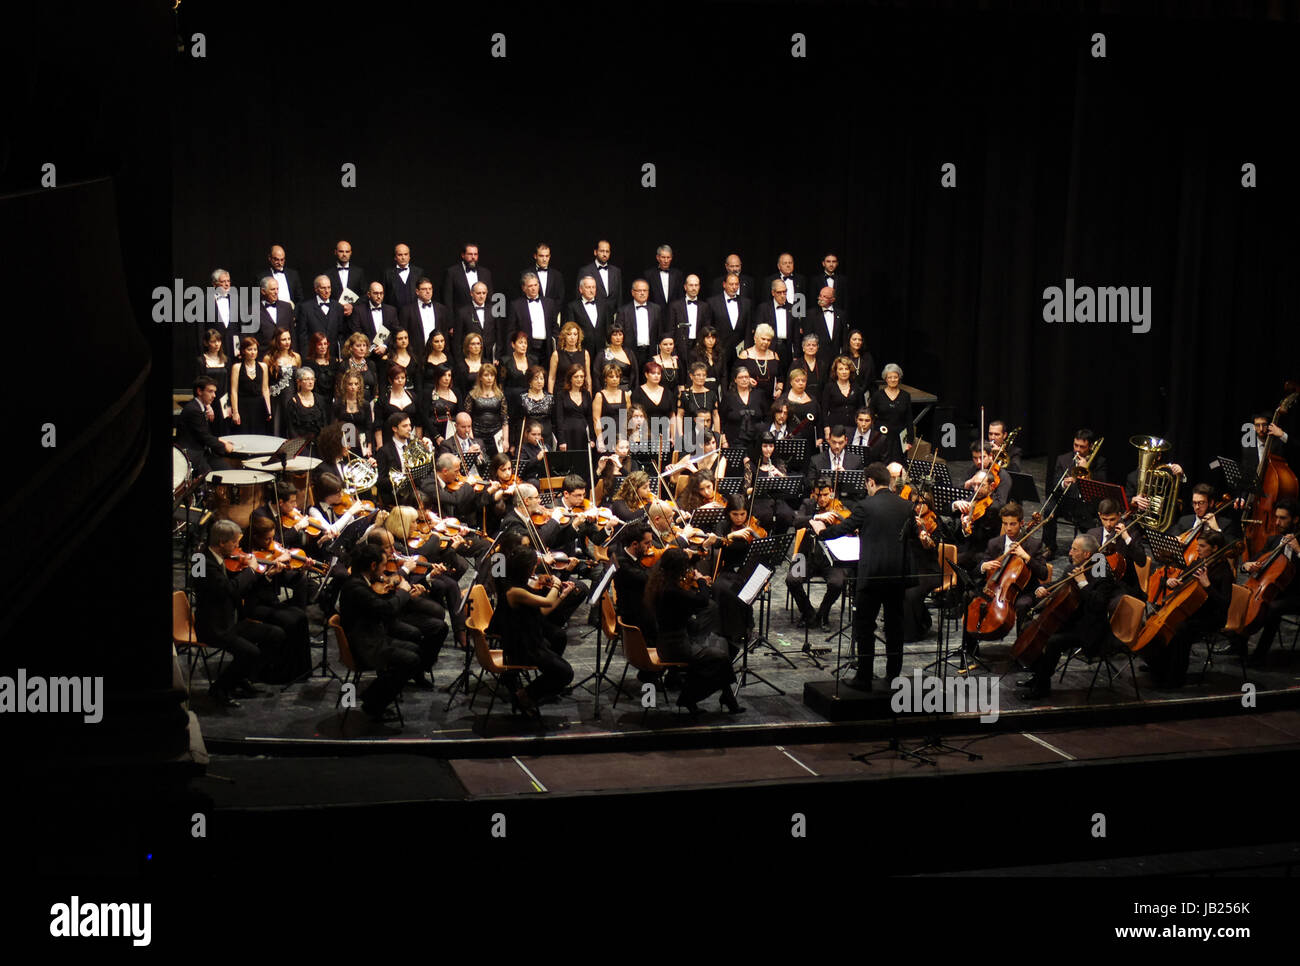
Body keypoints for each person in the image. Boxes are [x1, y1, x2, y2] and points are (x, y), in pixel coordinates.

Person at [811, 462, 917, 687]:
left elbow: (842, 529)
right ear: (889, 481)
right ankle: (893, 677)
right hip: (897, 576)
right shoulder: (906, 506)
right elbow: (914, 537)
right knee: (894, 627)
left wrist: (821, 532)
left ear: (870, 482)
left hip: (871, 576)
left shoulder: (865, 506)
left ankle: (864, 677)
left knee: (865, 626)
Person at [195, 519, 287, 706]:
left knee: (276, 634)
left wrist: (266, 575)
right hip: (214, 626)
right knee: (251, 652)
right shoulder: (202, 561)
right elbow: (228, 590)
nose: (238, 547)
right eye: (235, 543)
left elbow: (239, 587)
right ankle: (219, 689)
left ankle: (241, 677)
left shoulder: (223, 559)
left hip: (232, 620)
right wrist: (252, 571)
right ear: (222, 542)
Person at [643, 548, 744, 715]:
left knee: (724, 649)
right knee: (722, 657)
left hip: (668, 642)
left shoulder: (660, 584)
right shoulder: (672, 591)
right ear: (679, 569)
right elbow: (702, 601)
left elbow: (687, 604)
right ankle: (690, 697)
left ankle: (727, 698)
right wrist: (701, 581)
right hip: (677, 647)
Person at [1019, 534, 1120, 699]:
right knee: (1030, 627)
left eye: (1074, 549)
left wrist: (1082, 583)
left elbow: (1097, 604)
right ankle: (1038, 676)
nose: (1070, 552)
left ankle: (1042, 687)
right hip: (1071, 619)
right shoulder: (1074, 567)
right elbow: (1062, 583)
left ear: (1087, 554)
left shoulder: (1102, 572)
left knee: (1053, 641)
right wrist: (1045, 589)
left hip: (1089, 628)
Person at [337, 543, 423, 724]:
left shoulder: (360, 582)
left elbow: (378, 606)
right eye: (384, 565)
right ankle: (373, 703)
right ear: (373, 566)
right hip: (365, 647)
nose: (386, 570)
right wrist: (403, 592)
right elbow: (385, 609)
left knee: (415, 649)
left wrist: (402, 594)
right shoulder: (356, 588)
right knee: (411, 660)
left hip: (371, 637)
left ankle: (376, 694)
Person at [496, 547, 576, 717]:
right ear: (526, 568)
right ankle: (524, 696)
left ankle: (528, 694)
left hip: (532, 640)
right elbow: (547, 602)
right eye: (534, 566)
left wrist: (563, 595)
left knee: (563, 669)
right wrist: (556, 583)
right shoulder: (514, 591)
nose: (535, 570)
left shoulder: (522, 585)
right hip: (520, 646)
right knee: (565, 673)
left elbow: (541, 613)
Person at [363, 529, 448, 688]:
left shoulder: (392, 562)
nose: (394, 551)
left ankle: (419, 668)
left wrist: (428, 578)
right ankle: (411, 670)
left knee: (440, 626)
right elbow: (387, 591)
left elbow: (403, 587)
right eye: (388, 547)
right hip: (388, 617)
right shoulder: (375, 568)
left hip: (401, 608)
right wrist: (405, 571)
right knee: (416, 632)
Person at [242, 516, 312, 682]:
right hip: (254, 605)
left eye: (273, 538)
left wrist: (300, 567)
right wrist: (268, 575)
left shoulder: (270, 553)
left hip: (270, 602)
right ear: (255, 537)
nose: (272, 542)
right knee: (290, 621)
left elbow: (285, 579)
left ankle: (299, 671)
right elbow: (248, 588)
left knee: (300, 617)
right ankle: (279, 672)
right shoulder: (247, 556)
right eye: (267, 539)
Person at [1241, 499, 1300, 666]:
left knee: (1273, 608)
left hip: (1295, 595)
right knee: (1242, 595)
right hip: (1272, 589)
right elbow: (1254, 559)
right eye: (1276, 517)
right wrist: (1247, 565)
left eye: (1283, 518)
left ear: (1295, 519)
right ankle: (1239, 645)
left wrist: (1298, 550)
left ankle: (1259, 656)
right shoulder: (1274, 540)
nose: (1277, 522)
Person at [788, 477, 850, 630]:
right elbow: (796, 521)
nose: (822, 499)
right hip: (806, 556)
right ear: (813, 494)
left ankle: (823, 613)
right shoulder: (808, 505)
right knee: (792, 580)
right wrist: (815, 517)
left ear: (832, 493)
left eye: (825, 495)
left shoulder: (839, 508)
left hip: (831, 559)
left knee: (837, 583)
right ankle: (808, 613)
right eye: (818, 495)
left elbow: (850, 526)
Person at [177, 376, 237, 474]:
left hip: (203, 452)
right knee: (210, 478)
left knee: (228, 471)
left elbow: (204, 434)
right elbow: (204, 437)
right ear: (199, 391)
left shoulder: (199, 407)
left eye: (214, 392)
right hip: (193, 454)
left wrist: (219, 440)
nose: (214, 395)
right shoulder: (193, 410)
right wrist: (224, 447)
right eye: (210, 391)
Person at [867, 364, 913, 462]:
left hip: (900, 437)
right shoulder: (877, 395)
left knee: (898, 466)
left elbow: (909, 419)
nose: (893, 380)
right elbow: (869, 416)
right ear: (885, 379)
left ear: (899, 378)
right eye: (890, 377)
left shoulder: (905, 396)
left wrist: (909, 440)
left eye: (895, 377)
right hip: (881, 436)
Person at [719, 364, 767, 451]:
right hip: (734, 440)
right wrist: (723, 440)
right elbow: (722, 419)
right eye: (741, 377)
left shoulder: (759, 394)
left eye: (746, 377)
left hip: (756, 441)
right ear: (735, 380)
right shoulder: (728, 397)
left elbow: (766, 416)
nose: (744, 380)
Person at [373, 363, 420, 450]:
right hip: (389, 439)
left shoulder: (413, 397)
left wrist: (418, 442)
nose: (400, 380)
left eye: (403, 378)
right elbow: (378, 424)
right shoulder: (383, 399)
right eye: (396, 378)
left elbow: (418, 422)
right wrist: (380, 445)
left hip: (410, 438)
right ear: (390, 380)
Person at [631, 360, 676, 451]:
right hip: (644, 434)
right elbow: (633, 417)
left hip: (664, 434)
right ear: (646, 375)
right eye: (653, 373)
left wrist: (674, 436)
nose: (656, 376)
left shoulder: (668, 393)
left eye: (658, 373)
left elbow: (672, 416)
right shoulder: (637, 393)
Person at [230, 336, 272, 435]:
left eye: (255, 349)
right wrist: (235, 412)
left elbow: (265, 389)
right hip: (243, 405)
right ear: (244, 351)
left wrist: (268, 410)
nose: (253, 352)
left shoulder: (263, 366)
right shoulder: (237, 367)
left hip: (259, 406)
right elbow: (234, 391)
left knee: (260, 435)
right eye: (249, 349)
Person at [442, 241, 493, 317]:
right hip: (459, 319)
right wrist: (450, 324)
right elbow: (448, 300)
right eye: (470, 254)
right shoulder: (452, 272)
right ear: (463, 255)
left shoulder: (486, 273)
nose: (473, 257)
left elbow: (490, 298)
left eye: (475, 254)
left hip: (482, 318)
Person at [466, 363, 508, 457]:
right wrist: (470, 436)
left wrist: (506, 440)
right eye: (486, 375)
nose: (489, 378)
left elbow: (504, 419)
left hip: (496, 436)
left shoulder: (500, 395)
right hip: (477, 435)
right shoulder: (472, 395)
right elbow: (467, 417)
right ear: (480, 377)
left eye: (492, 375)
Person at [196, 327, 231, 437]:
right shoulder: (201, 361)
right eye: (213, 341)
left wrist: (229, 405)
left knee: (224, 433)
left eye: (219, 341)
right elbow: (199, 385)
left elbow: (229, 385)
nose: (217, 344)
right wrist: (207, 406)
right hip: (208, 402)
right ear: (206, 343)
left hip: (223, 402)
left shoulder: (226, 360)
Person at [332, 369, 374, 457]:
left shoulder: (365, 404)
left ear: (359, 385)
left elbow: (369, 427)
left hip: (361, 441)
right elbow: (333, 426)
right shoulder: (338, 404)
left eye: (356, 384)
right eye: (350, 384)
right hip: (344, 442)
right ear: (345, 385)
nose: (353, 387)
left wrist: (369, 446)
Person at [738, 323, 784, 398]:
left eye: (768, 340)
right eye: (763, 339)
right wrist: (747, 379)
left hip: (770, 398)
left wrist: (779, 389)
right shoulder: (745, 355)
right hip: (749, 398)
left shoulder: (774, 356)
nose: (766, 342)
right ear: (755, 338)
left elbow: (780, 377)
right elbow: (735, 375)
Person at [555, 364, 593, 453]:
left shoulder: (586, 394)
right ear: (570, 378)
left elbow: (590, 417)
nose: (579, 379)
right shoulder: (561, 394)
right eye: (576, 377)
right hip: (567, 434)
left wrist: (591, 438)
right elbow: (559, 419)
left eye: (582, 376)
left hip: (583, 434)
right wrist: (561, 440)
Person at [593, 363, 630, 451]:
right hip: (606, 434)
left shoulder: (626, 395)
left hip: (622, 435)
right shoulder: (599, 395)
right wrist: (600, 440)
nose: (614, 379)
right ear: (605, 379)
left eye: (617, 377)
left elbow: (629, 417)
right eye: (611, 376)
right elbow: (596, 419)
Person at [548, 320, 591, 395]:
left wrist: (589, 395)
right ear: (564, 336)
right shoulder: (556, 354)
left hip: (580, 393)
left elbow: (588, 377)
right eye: (569, 334)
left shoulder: (585, 353)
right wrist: (550, 396)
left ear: (578, 336)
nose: (572, 337)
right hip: (561, 393)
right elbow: (551, 378)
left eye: (575, 334)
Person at [822, 356, 862, 435]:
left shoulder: (856, 387)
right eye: (841, 369)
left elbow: (861, 409)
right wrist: (826, 427)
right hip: (834, 427)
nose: (844, 372)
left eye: (846, 369)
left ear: (850, 371)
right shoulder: (829, 387)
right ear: (836, 371)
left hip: (853, 427)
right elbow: (824, 410)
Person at [283, 367, 326, 440]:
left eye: (312, 379)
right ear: (299, 382)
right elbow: (291, 429)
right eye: (307, 379)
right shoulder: (293, 402)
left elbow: (325, 423)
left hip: (320, 442)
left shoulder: (320, 399)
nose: (310, 382)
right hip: (301, 443)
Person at [421, 364, 459, 446]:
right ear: (437, 376)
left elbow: (461, 413)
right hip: (433, 432)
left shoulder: (456, 392)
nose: (447, 378)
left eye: (449, 375)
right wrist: (437, 436)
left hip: (451, 432)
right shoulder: (428, 393)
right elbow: (424, 417)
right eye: (444, 375)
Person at [518, 366, 554, 449]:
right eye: (536, 379)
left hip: (546, 436)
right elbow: (517, 421)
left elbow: (554, 421)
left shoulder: (550, 397)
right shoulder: (522, 397)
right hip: (528, 437)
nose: (539, 381)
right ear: (530, 381)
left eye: (541, 378)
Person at [339, 332, 379, 403]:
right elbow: (339, 389)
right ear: (351, 348)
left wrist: (375, 402)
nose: (362, 348)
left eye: (364, 345)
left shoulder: (371, 364)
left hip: (369, 402)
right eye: (358, 346)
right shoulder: (344, 365)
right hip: (349, 402)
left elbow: (375, 387)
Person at [382, 242, 423, 309]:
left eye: (406, 254)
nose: (403, 257)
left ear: (409, 256)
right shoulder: (387, 274)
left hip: (415, 313)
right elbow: (384, 295)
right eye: (400, 255)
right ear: (395, 257)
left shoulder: (419, 272)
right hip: (394, 313)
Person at [598, 322, 637, 391]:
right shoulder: (602, 354)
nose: (618, 337)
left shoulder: (629, 353)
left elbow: (635, 375)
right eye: (614, 335)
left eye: (620, 334)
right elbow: (596, 376)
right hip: (606, 392)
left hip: (626, 391)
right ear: (609, 336)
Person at [690, 325, 728, 394]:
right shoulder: (695, 354)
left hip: (716, 389)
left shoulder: (720, 353)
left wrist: (724, 392)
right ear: (703, 339)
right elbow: (691, 374)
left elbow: (724, 375)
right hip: (699, 389)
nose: (711, 341)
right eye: (708, 338)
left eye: (713, 338)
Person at [304, 331, 337, 409]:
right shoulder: (308, 363)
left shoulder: (333, 362)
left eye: (325, 344)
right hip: (314, 403)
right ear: (314, 346)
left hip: (331, 402)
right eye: (320, 344)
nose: (323, 347)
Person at [453, 332, 487, 399]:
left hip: (486, 401)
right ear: (467, 346)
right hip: (467, 400)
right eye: (473, 344)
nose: (476, 346)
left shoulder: (486, 363)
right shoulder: (460, 366)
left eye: (478, 343)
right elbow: (458, 389)